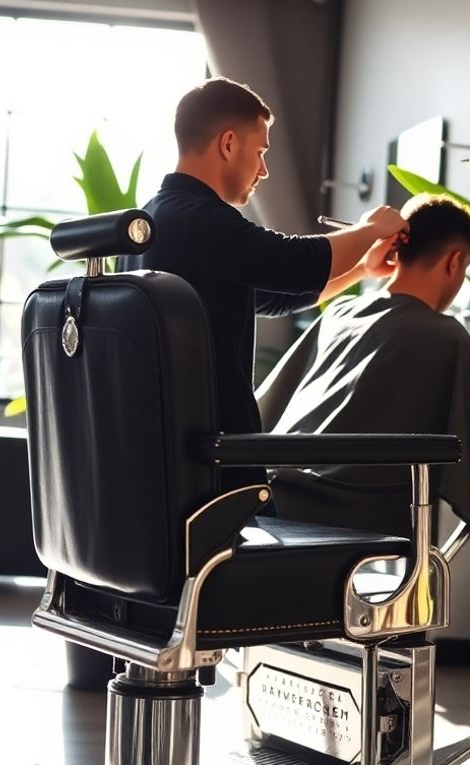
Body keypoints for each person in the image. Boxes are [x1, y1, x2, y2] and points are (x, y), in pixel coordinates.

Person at [122, 76, 406, 491]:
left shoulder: (154, 221)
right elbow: (296, 262)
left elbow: (274, 297)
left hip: (173, 458)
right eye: (260, 152)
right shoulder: (204, 221)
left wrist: (362, 268)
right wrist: (370, 229)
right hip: (211, 468)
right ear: (229, 143)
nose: (264, 170)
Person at [256, 194, 470, 567]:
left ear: (395, 250)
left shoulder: (341, 313)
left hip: (272, 504)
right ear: (455, 262)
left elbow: (265, 409)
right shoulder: (447, 339)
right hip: (353, 524)